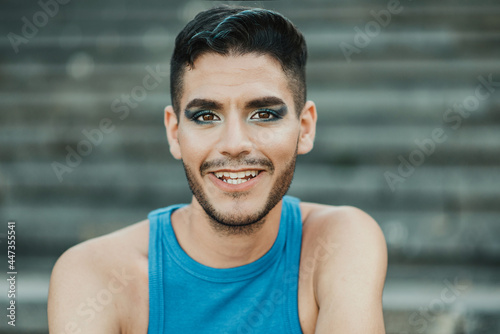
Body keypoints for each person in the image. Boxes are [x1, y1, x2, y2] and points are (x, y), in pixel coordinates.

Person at [48, 5, 387, 334]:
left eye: (265, 114)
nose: (235, 143)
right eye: (206, 116)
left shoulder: (339, 240)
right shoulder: (93, 274)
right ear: (174, 132)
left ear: (306, 127)